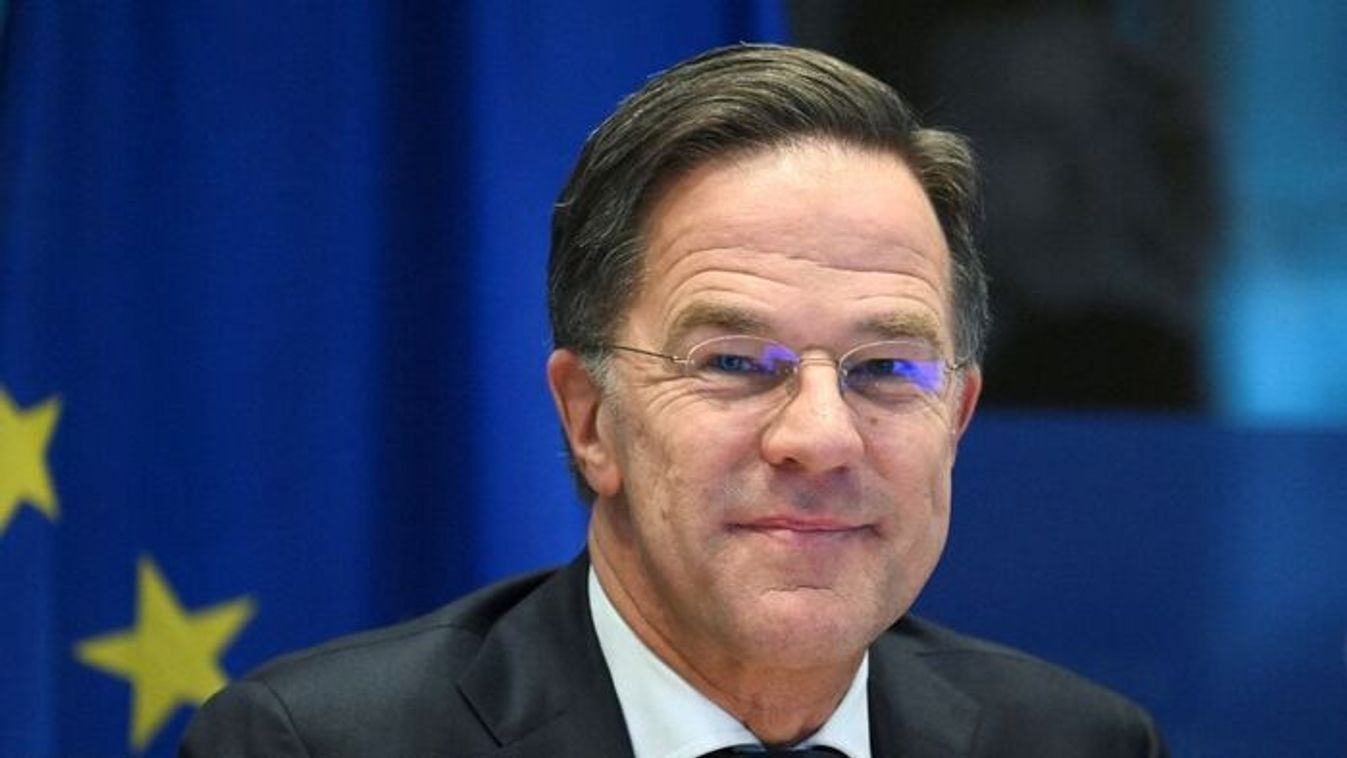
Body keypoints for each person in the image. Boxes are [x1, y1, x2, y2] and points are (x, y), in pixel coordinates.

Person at [182, 44, 1167, 757]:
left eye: (884, 370)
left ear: (956, 418)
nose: (821, 436)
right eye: (735, 362)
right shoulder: (315, 743)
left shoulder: (1080, 742)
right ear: (590, 419)